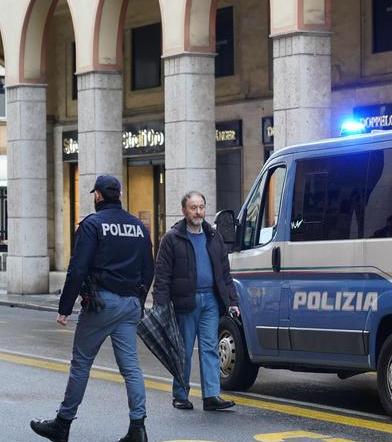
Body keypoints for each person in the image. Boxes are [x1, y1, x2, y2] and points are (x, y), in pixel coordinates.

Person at [30, 175, 154, 442]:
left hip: (101, 303)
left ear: (98, 196)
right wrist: (138, 301)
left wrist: (64, 306)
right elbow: (149, 268)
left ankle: (62, 424)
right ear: (119, 194)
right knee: (131, 368)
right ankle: (138, 428)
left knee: (81, 364)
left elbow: (78, 268)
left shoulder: (92, 224)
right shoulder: (138, 227)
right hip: (130, 304)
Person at [153, 191, 240, 411]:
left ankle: (211, 396)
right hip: (185, 301)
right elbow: (162, 275)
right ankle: (180, 395)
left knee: (210, 348)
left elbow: (225, 273)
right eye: (193, 207)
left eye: (201, 207)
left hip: (211, 300)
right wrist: (160, 305)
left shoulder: (213, 236)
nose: (198, 212)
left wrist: (232, 301)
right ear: (184, 210)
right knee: (183, 350)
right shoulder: (172, 238)